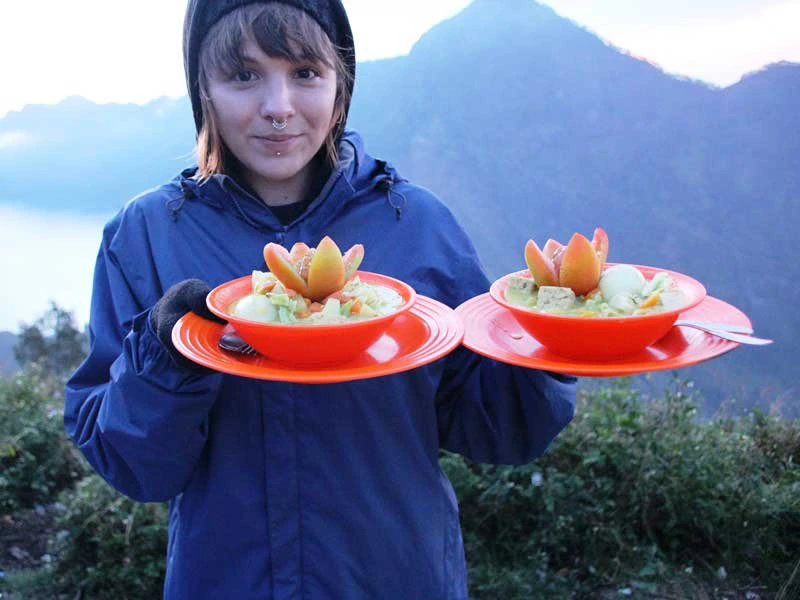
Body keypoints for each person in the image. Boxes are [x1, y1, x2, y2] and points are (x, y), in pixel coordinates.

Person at [64, 1, 576, 598]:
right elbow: (136, 466)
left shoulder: (417, 225)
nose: (278, 107)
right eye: (243, 75)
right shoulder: (147, 236)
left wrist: (549, 335)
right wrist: (166, 353)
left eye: (306, 72)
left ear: (341, 85)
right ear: (201, 87)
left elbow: (498, 428)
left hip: (399, 579)